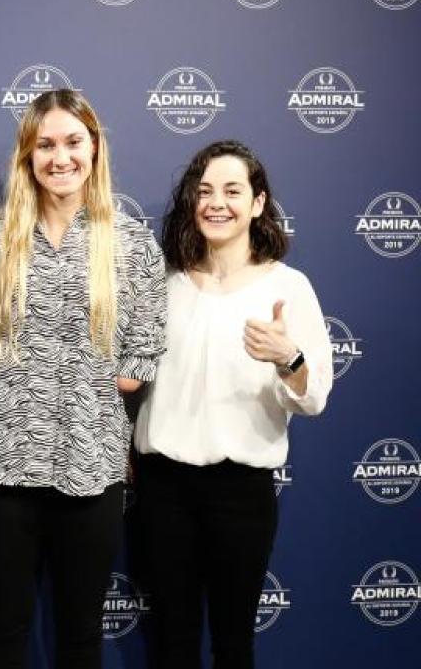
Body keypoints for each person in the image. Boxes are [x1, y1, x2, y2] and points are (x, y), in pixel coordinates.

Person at [0, 89, 166, 668]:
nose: (60, 158)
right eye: (46, 146)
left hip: (91, 470)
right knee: (6, 634)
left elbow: (146, 352)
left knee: (81, 636)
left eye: (72, 142)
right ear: (27, 157)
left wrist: (86, 388)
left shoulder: (133, 243)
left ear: (94, 149)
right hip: (5, 471)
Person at [134, 140, 332, 669]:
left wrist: (288, 357)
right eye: (204, 192)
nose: (215, 203)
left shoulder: (289, 288)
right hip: (163, 487)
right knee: (171, 643)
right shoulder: (164, 283)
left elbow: (314, 398)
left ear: (258, 203)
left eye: (231, 190)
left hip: (241, 493)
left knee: (233, 643)